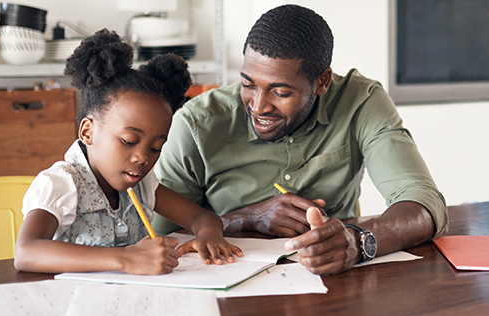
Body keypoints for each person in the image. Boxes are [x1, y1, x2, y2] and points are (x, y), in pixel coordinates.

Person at [152, 5, 448, 275]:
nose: (257, 106)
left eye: (280, 92)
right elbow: (161, 237)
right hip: (225, 284)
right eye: (247, 84)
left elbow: (424, 205)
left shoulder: (360, 102)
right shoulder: (197, 123)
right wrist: (246, 218)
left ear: (322, 82)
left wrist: (357, 242)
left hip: (334, 282)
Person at [15, 29, 242, 275]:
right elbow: (27, 252)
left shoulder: (142, 185)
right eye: (128, 141)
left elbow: (202, 218)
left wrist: (208, 235)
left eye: (156, 148)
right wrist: (125, 258)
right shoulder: (62, 183)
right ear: (88, 132)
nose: (143, 158)